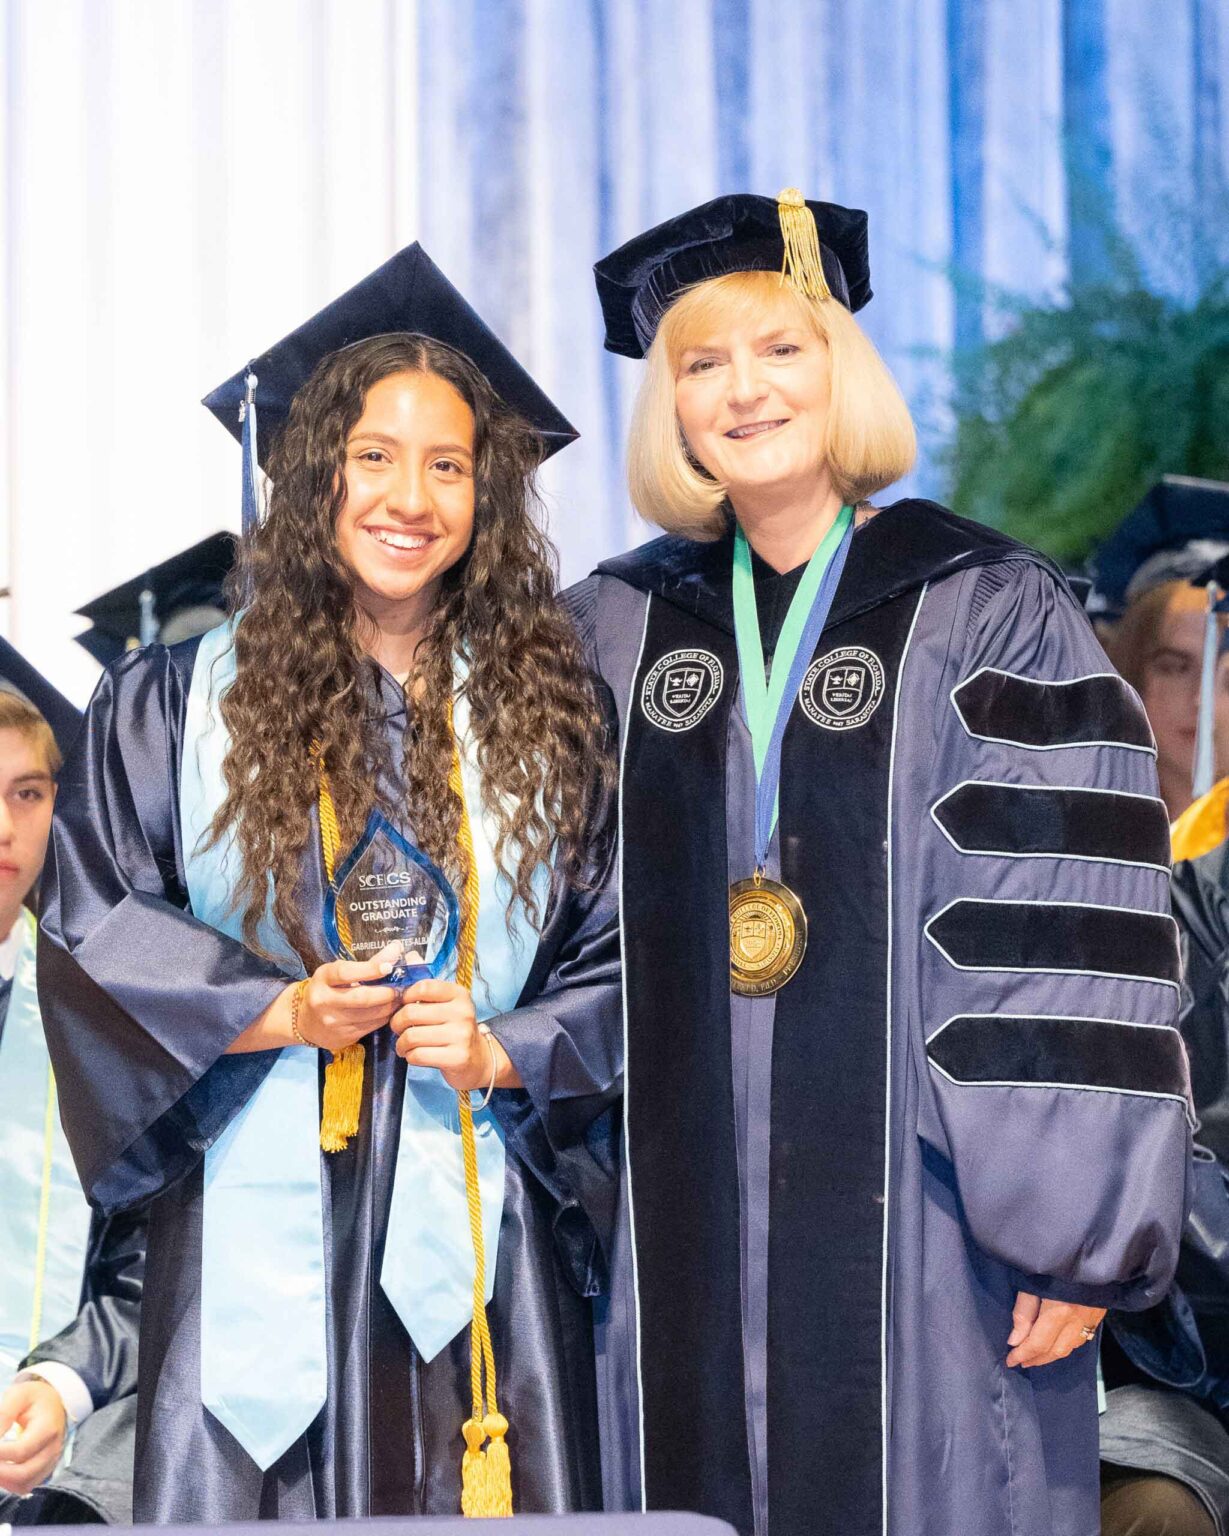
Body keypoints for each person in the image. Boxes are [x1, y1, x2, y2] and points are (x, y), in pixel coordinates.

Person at [575, 191, 1190, 1536]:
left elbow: (1059, 920)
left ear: (839, 368)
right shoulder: (613, 630)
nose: (744, 391)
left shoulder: (986, 607)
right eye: (701, 363)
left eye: (779, 349)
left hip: (935, 1244)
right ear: (670, 407)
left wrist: (1075, 1231)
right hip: (667, 1238)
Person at [37, 243, 621, 1522]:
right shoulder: (171, 706)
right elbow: (91, 926)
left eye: (449, 465)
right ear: (314, 475)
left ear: (487, 493)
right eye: (373, 456)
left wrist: (507, 1045)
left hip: (485, 1224)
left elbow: (624, 951)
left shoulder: (554, 714)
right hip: (252, 1215)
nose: (410, 496)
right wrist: (277, 1008)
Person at [0, 653, 143, 1525]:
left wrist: (62, 1381)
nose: (2, 827)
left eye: (27, 793)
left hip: (50, 1477)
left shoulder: (103, 1022)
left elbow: (147, 1262)